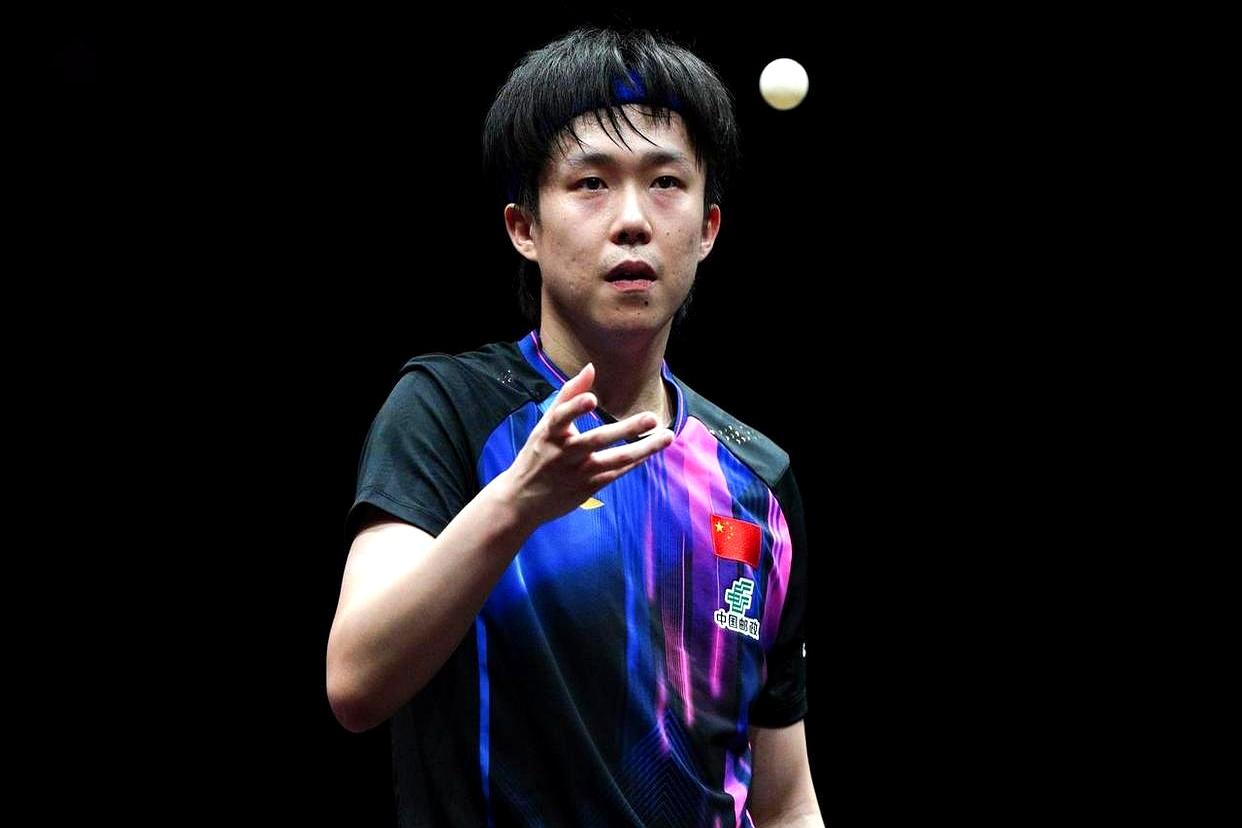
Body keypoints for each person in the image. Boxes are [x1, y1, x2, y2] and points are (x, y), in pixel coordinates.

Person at [327, 26, 824, 827]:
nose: (632, 220)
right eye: (591, 183)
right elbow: (356, 682)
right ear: (524, 227)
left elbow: (785, 799)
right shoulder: (449, 410)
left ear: (708, 229)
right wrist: (519, 499)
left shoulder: (757, 479)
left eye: (665, 183)